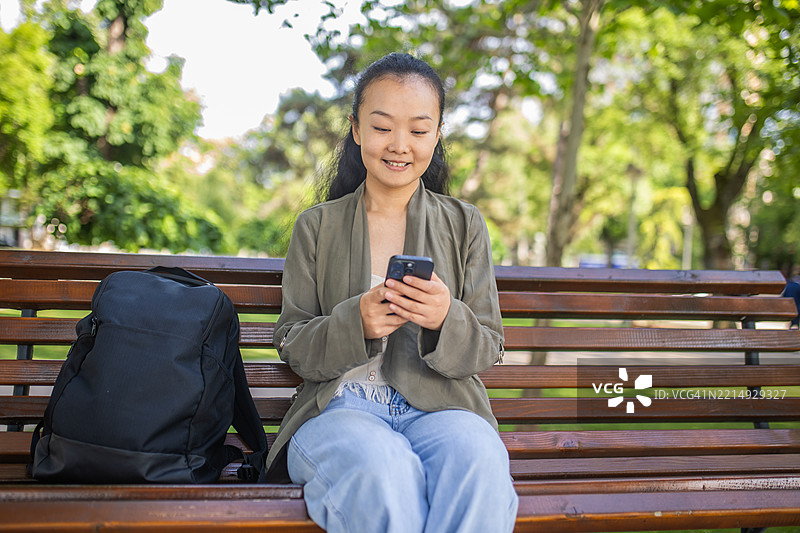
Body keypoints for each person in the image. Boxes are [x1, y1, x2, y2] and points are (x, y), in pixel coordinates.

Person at [264, 52, 519, 532]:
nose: (400, 145)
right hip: (339, 410)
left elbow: (488, 344)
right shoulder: (317, 227)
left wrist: (446, 316)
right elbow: (292, 343)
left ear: (438, 133)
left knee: (480, 459)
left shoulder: (464, 224)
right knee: (384, 467)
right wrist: (354, 322)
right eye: (382, 127)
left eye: (419, 131)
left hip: (441, 410)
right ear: (356, 129)